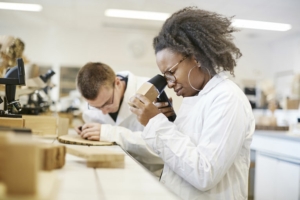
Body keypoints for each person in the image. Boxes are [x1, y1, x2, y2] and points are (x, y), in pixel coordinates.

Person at [128, 7, 255, 200]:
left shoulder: (228, 98)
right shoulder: (196, 98)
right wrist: (170, 121)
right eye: (165, 76)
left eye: (171, 72)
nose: (170, 84)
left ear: (196, 58)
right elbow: (185, 154)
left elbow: (204, 173)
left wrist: (156, 123)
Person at [75, 62, 166, 175]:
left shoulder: (149, 92)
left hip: (148, 174)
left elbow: (160, 150)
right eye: (96, 107)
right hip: (110, 170)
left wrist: (111, 133)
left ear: (117, 82)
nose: (103, 112)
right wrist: (87, 131)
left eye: (107, 103)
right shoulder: (93, 104)